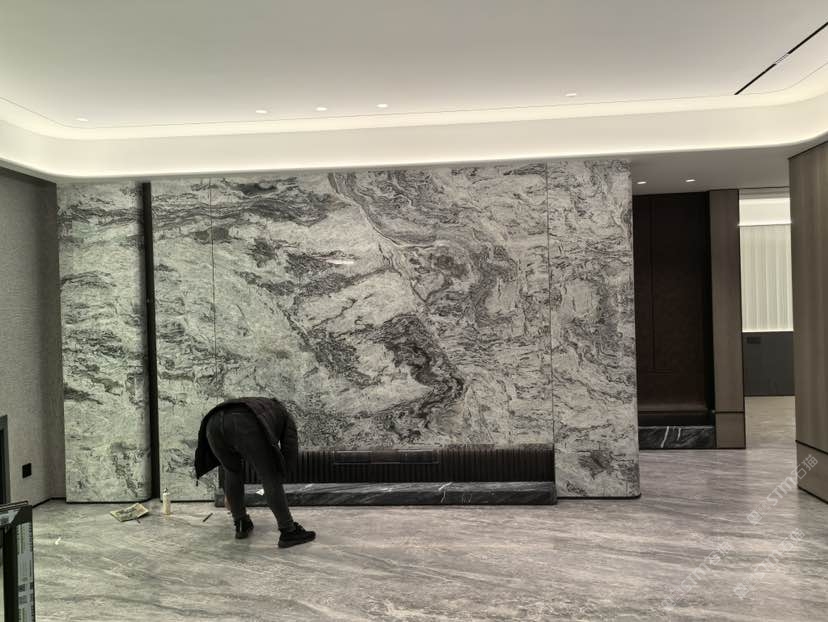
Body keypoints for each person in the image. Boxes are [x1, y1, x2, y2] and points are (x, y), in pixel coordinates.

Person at [194, 397, 316, 548]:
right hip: (244, 423)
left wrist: (229, 494)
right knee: (269, 476)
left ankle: (241, 523)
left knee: (231, 472)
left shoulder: (260, 405)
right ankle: (288, 531)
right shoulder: (284, 414)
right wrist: (280, 476)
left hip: (212, 423)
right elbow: (289, 448)